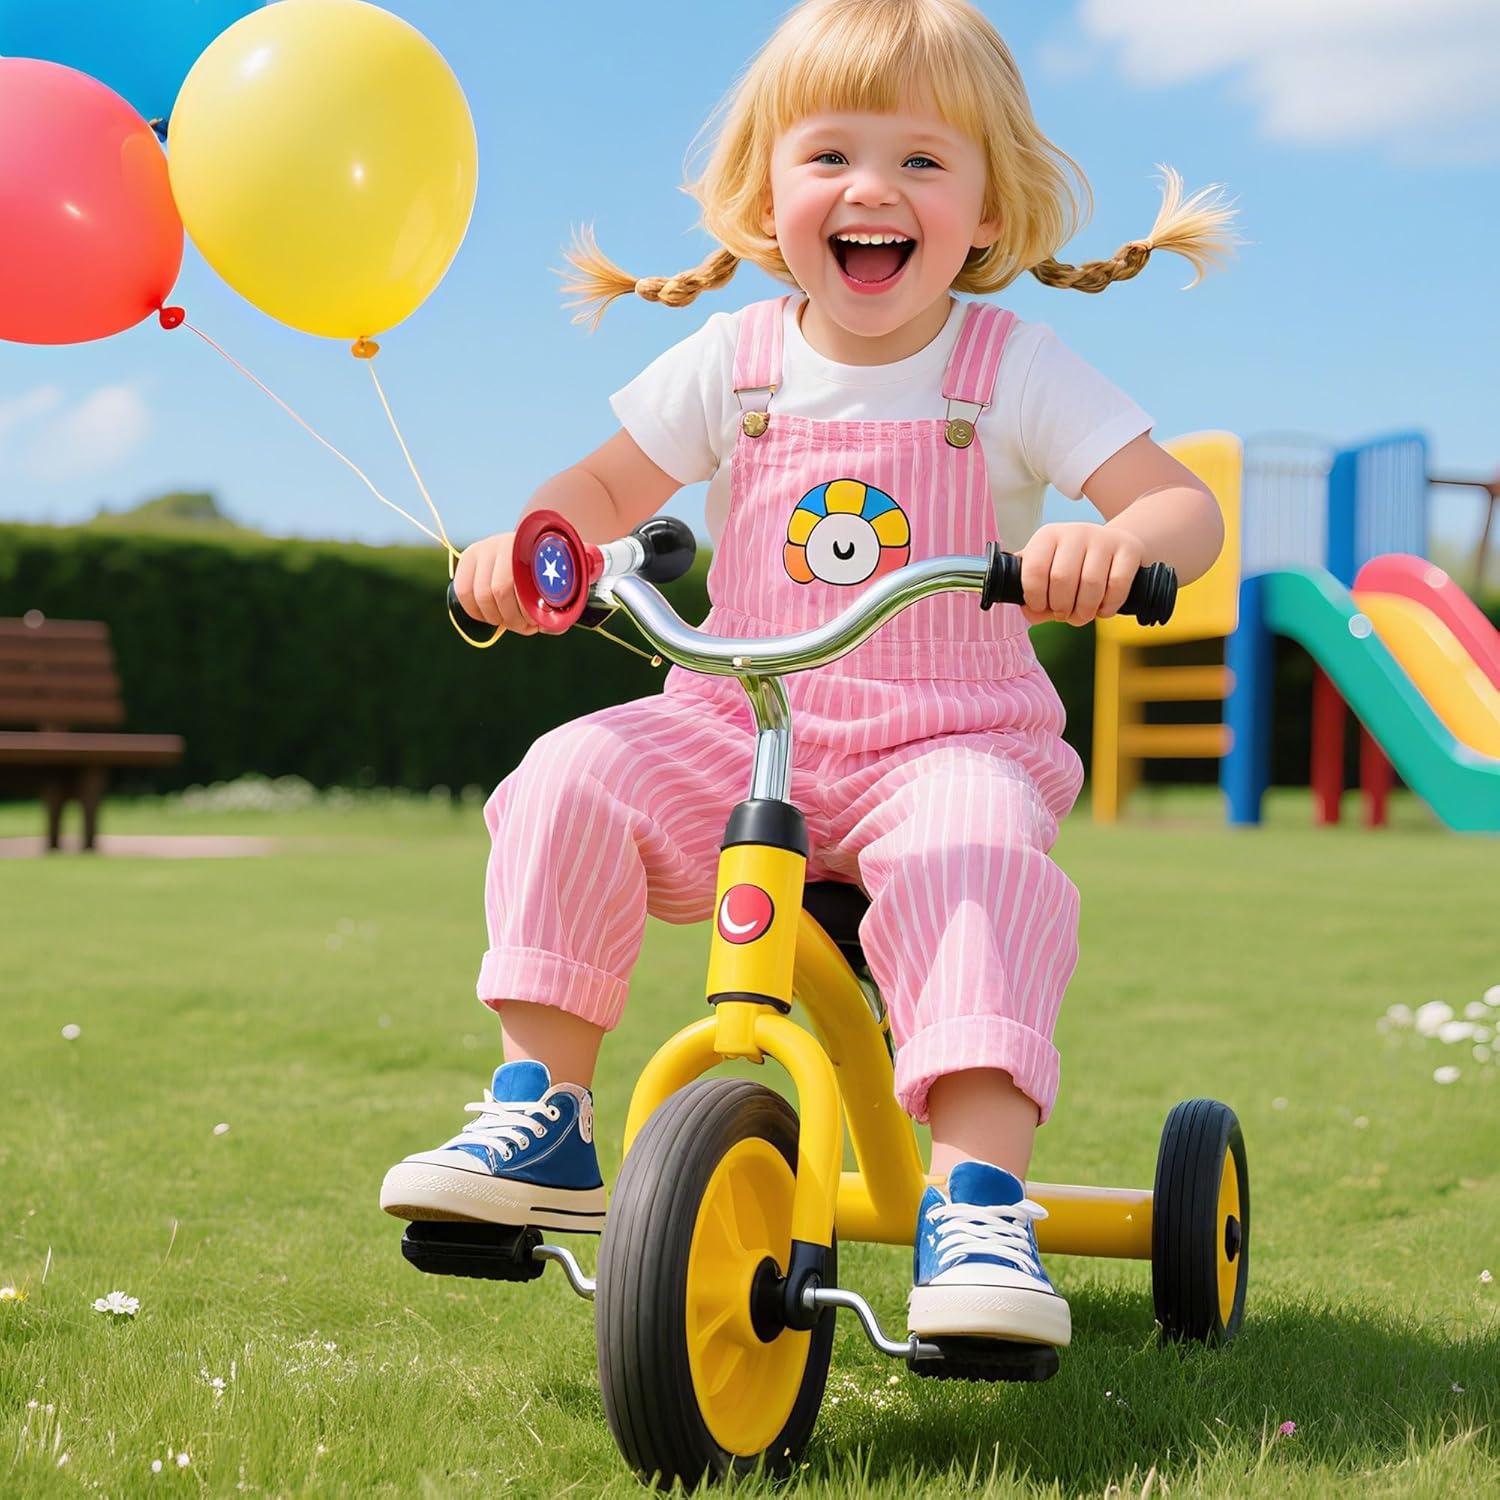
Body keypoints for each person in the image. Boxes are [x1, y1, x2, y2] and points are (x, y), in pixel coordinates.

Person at [382, 0, 1231, 1353]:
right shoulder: (737, 362)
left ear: (987, 209)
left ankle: (978, 1201)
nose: (872, 190)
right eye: (830, 155)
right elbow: (601, 488)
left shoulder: (1008, 367)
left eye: (922, 161)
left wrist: (1114, 546)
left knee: (974, 858)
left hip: (945, 741)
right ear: (766, 192)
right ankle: (541, 1110)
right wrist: (539, 547)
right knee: (570, 774)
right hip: (742, 724)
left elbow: (1182, 508)